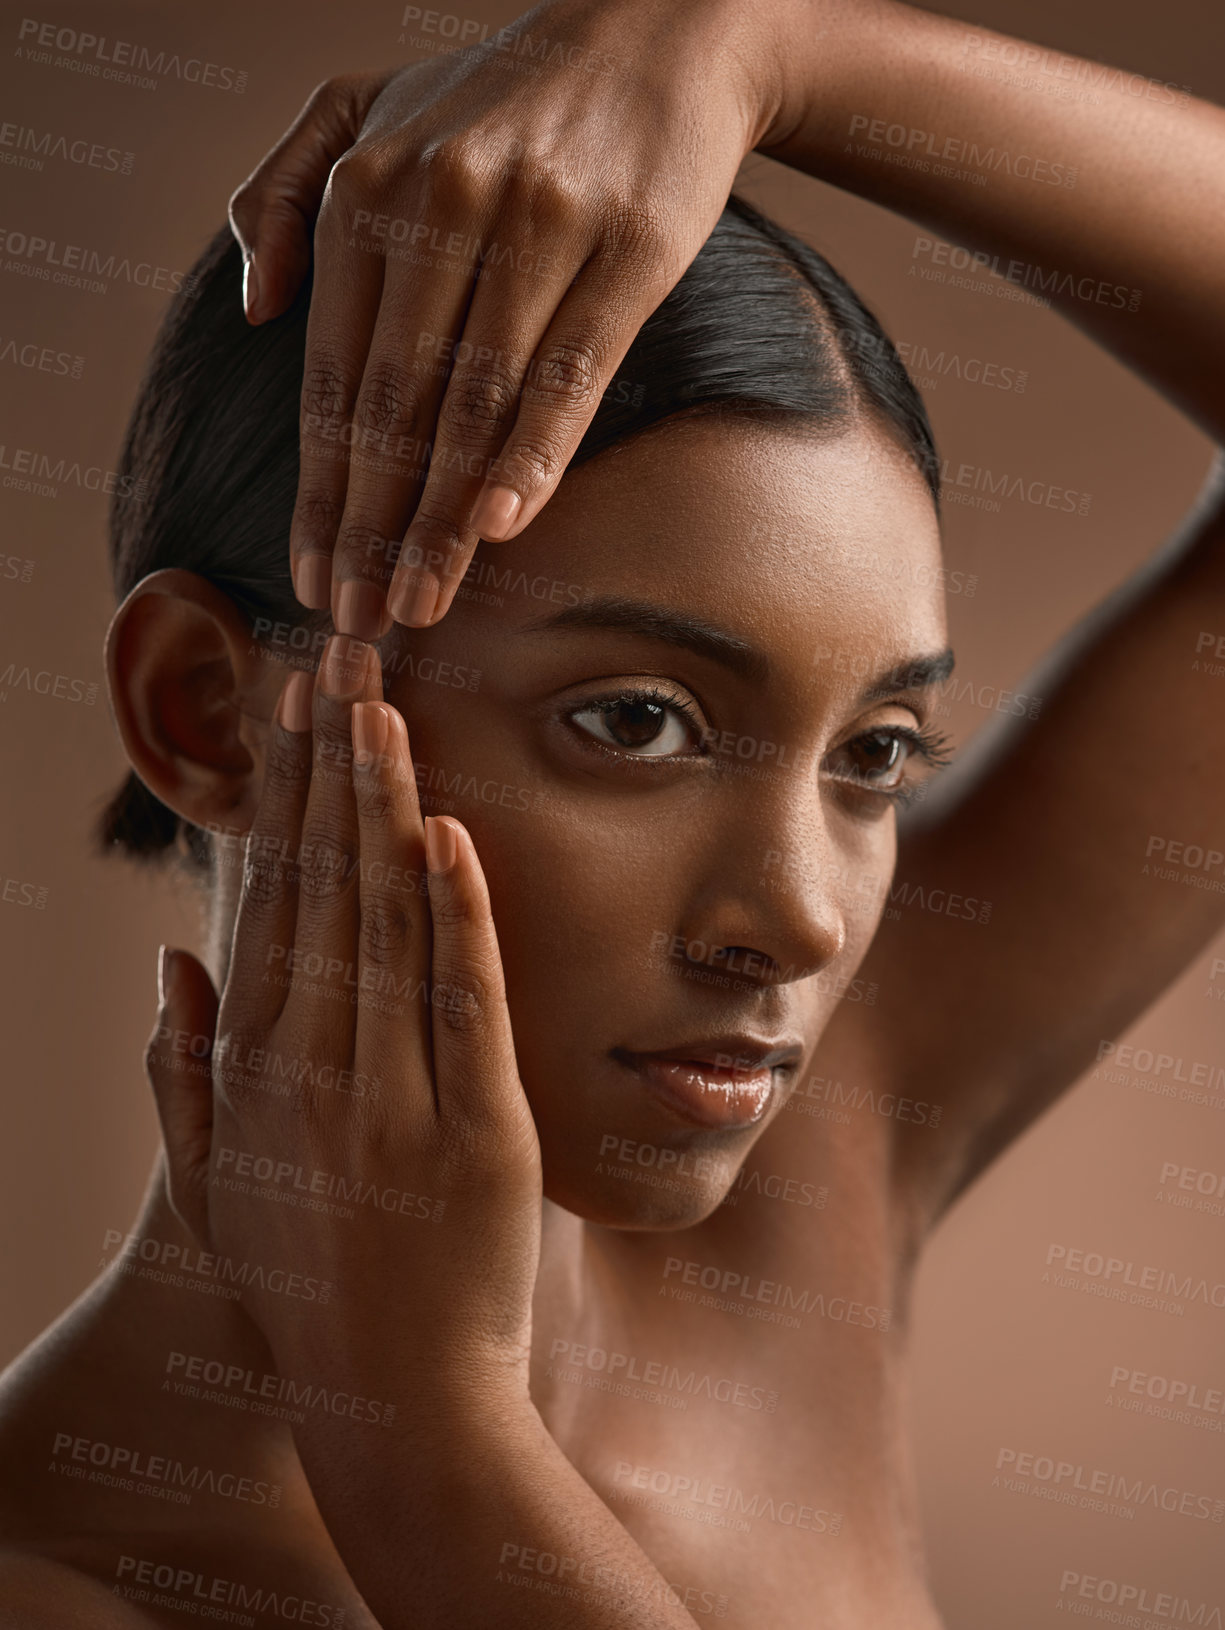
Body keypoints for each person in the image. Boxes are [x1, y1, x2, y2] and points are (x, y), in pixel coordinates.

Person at [1, 1, 1223, 1625]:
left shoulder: (817, 1149)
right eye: (636, 721)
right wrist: (428, 1425)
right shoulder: (66, 1574)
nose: (792, 918)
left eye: (873, 752)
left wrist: (750, 48)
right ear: (207, 712)